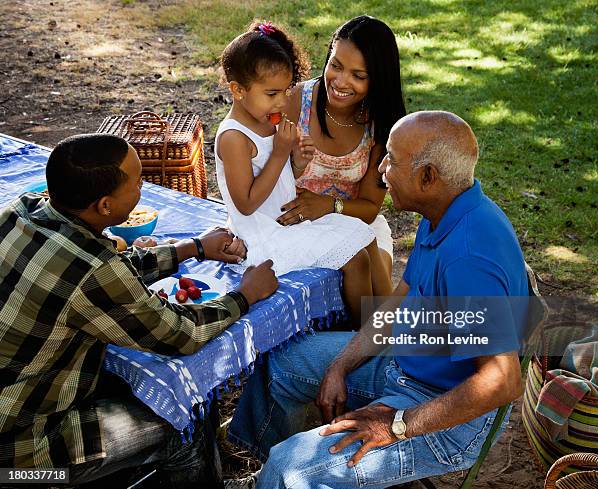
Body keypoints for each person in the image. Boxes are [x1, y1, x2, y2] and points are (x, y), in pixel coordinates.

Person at [228, 111, 529, 488]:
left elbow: (502, 381)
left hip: (447, 415)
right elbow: (399, 302)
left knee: (292, 469)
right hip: (410, 361)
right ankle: (266, 476)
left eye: (392, 159)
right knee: (280, 363)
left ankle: (281, 477)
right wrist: (340, 365)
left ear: (427, 176)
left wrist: (397, 425)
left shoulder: (469, 257)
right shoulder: (442, 211)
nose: (381, 168)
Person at [0, 133, 278, 489]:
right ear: (104, 206)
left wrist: (188, 248)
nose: (143, 187)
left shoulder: (22, 210)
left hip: (16, 405)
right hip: (22, 453)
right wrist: (245, 295)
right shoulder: (95, 270)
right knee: (182, 420)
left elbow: (107, 270)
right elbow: (182, 335)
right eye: (138, 181)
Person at [215, 21, 387, 325]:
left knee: (362, 236)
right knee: (356, 257)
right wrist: (281, 152)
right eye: (273, 94)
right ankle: (368, 337)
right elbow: (246, 202)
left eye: (284, 92)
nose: (283, 101)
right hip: (265, 234)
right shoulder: (233, 137)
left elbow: (278, 179)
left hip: (285, 220)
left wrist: (296, 162)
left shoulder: (265, 121)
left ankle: (384, 328)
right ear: (237, 90)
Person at [279, 15, 406, 290]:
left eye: (358, 76)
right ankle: (383, 329)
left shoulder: (380, 123)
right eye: (335, 65)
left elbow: (370, 208)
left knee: (375, 269)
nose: (340, 82)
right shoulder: (296, 102)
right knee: (358, 266)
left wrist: (328, 205)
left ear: (378, 80)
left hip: (356, 219)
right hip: (296, 221)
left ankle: (385, 330)